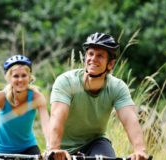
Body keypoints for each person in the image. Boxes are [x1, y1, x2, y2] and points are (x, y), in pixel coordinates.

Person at [48, 32, 149, 160]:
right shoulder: (66, 81)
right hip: (62, 147)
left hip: (95, 143)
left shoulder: (117, 87)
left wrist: (140, 151)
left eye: (100, 56)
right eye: (90, 54)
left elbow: (130, 120)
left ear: (110, 64)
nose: (93, 59)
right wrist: (54, 149)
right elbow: (57, 116)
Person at [0, 54, 50, 158]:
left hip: (28, 147)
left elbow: (47, 125)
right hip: (1, 149)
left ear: (29, 77)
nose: (20, 80)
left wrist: (50, 147)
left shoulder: (37, 98)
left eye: (24, 75)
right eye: (16, 76)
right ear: (8, 78)